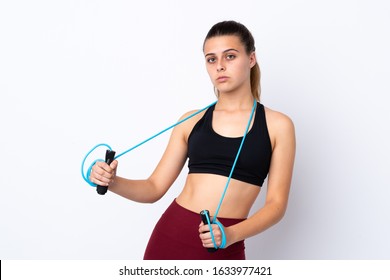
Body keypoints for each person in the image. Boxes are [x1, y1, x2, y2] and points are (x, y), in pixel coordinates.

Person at [89, 20, 295, 260]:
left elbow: (276, 205)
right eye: (211, 59)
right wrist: (112, 182)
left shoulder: (278, 125)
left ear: (251, 59)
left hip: (223, 243)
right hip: (170, 236)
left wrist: (229, 234)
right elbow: (154, 188)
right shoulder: (191, 120)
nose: (219, 66)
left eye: (230, 56)